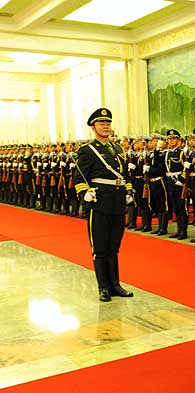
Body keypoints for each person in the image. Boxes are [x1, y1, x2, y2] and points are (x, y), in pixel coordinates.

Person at [74, 108, 134, 302]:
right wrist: (85, 193)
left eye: (108, 123)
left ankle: (115, 285)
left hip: (117, 202)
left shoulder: (118, 149)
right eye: (101, 123)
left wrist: (128, 192)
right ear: (93, 127)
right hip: (99, 203)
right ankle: (103, 287)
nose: (106, 126)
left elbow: (124, 175)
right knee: (100, 248)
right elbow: (79, 176)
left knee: (113, 247)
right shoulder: (87, 151)